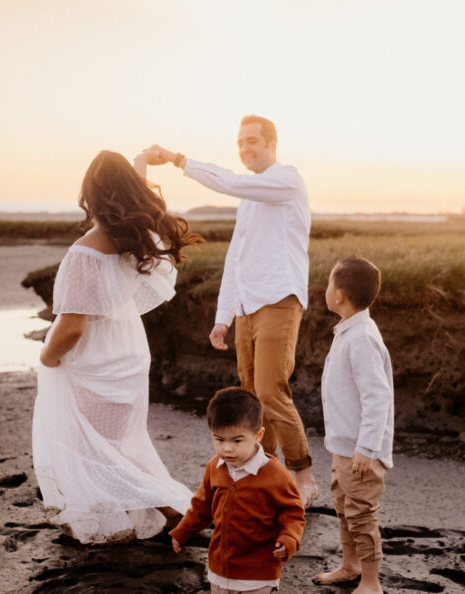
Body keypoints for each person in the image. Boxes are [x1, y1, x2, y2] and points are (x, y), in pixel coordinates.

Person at [136, 115, 319, 507]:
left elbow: (233, 182)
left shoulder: (286, 179)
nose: (245, 149)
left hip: (280, 299)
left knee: (272, 390)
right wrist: (223, 317)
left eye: (252, 141)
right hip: (248, 308)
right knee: (252, 398)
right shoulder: (249, 202)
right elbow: (236, 259)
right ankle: (265, 476)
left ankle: (303, 474)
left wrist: (177, 159)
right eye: (240, 143)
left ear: (272, 143)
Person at [33, 150, 201, 544]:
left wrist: (47, 355)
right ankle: (162, 511)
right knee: (120, 443)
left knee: (94, 447)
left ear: (90, 194)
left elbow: (72, 327)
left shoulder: (84, 254)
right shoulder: (139, 243)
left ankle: (176, 510)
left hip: (94, 362)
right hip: (126, 354)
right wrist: (138, 165)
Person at [170, 387, 305, 594]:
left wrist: (289, 539)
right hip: (219, 571)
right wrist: (182, 531)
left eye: (237, 441)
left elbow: (293, 514)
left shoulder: (277, 476)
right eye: (219, 439)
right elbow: (201, 507)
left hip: (259, 575)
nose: (227, 449)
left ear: (258, 435)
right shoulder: (214, 468)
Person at [313, 258, 394, 593]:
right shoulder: (348, 329)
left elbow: (377, 397)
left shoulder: (361, 337)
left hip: (360, 451)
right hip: (343, 446)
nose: (326, 289)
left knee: (361, 515)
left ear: (340, 295)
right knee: (345, 510)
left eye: (329, 284)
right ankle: (350, 566)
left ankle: (371, 582)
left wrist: (366, 447)